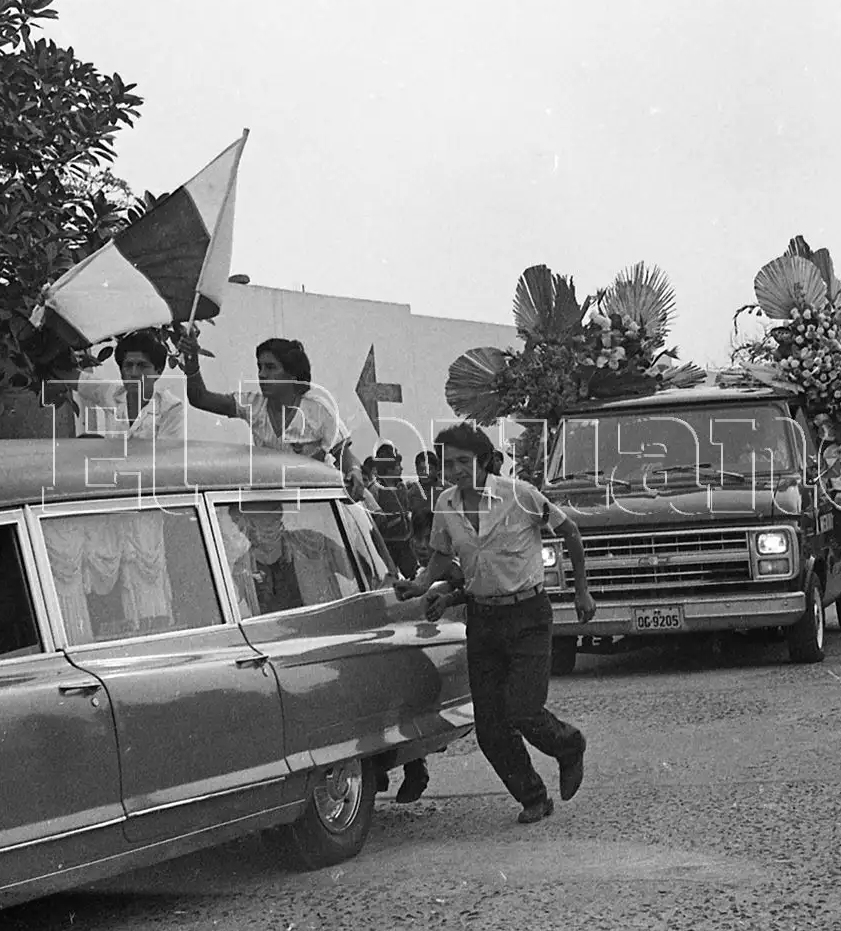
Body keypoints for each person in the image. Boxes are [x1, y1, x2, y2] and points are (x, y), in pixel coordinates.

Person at [397, 424, 596, 825]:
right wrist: (421, 585)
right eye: (448, 463)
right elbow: (441, 555)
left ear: (484, 460)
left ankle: (569, 745)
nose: (455, 471)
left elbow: (569, 531)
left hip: (528, 615)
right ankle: (533, 796)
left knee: (523, 709)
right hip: (483, 619)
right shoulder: (446, 504)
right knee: (489, 728)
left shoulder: (519, 494)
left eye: (463, 462)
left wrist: (582, 591)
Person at [178, 332, 363, 497]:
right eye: (260, 367)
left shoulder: (318, 410)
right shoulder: (253, 405)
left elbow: (344, 455)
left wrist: (354, 471)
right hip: (272, 497)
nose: (262, 374)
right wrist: (191, 359)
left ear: (292, 375)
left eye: (271, 367)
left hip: (315, 499)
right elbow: (200, 398)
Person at [115, 328, 185, 441]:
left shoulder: (171, 408)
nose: (134, 373)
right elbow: (83, 379)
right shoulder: (111, 394)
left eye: (142, 366)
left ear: (158, 372)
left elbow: (165, 451)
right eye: (128, 366)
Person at [367, 443, 421, 579]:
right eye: (398, 465)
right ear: (388, 467)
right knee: (389, 577)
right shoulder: (375, 489)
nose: (401, 468)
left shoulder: (401, 487)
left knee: (413, 575)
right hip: (387, 545)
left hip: (406, 542)